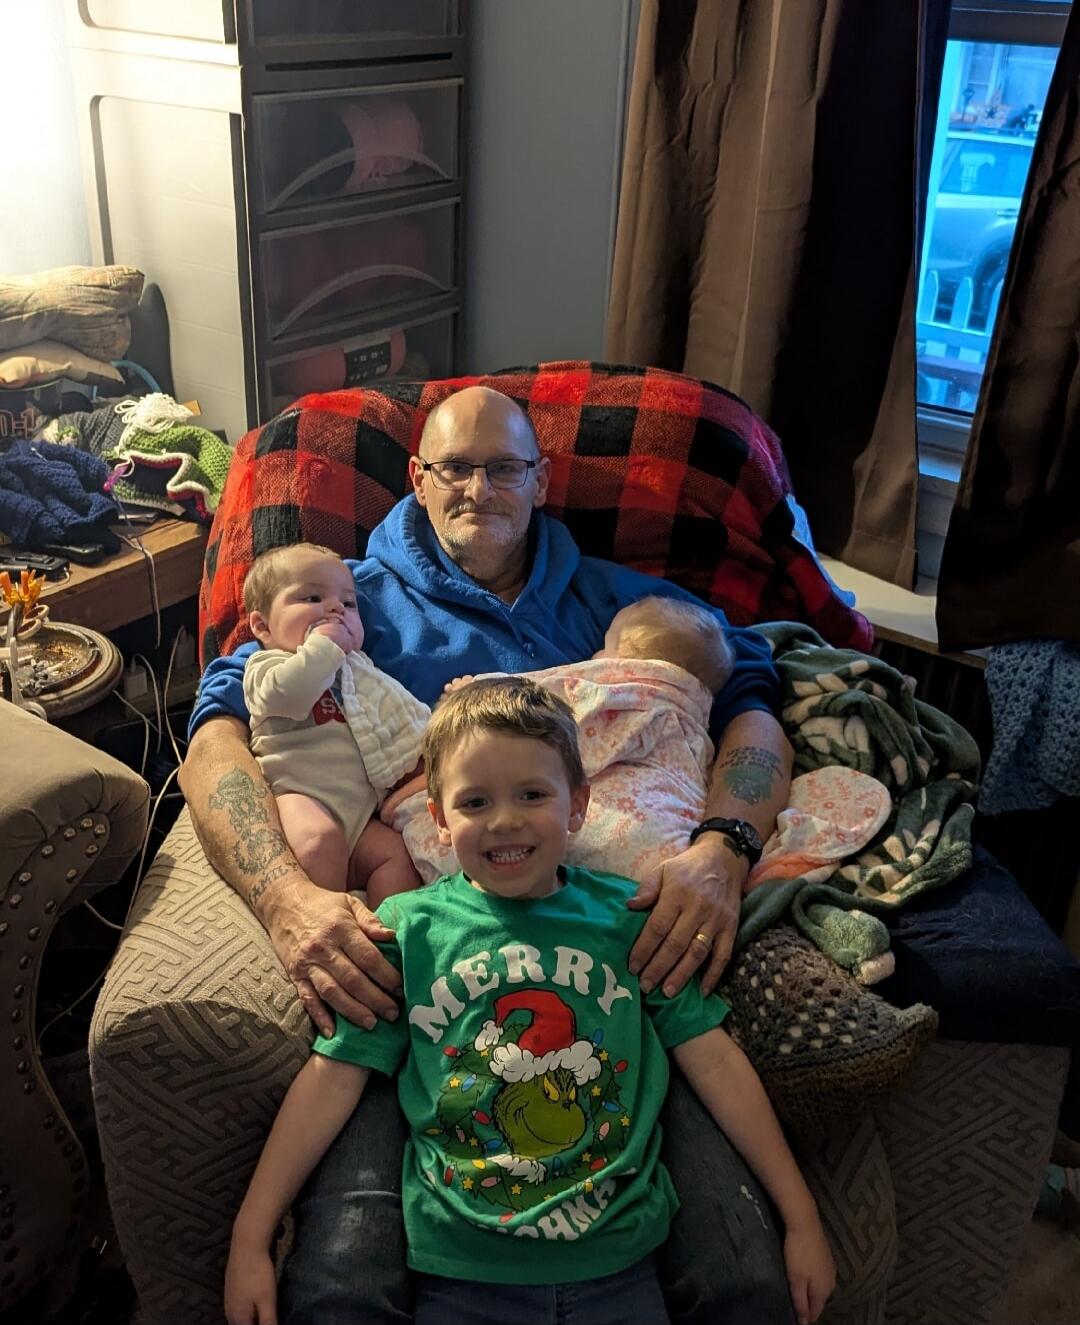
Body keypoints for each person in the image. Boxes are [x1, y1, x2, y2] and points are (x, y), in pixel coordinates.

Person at [183, 385, 797, 1323]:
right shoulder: (344, 601)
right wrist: (284, 897)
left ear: (541, 478)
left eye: (504, 465)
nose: (479, 487)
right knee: (340, 1286)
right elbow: (219, 732)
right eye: (454, 468)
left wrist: (725, 845)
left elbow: (751, 691)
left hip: (621, 947)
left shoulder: (615, 594)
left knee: (744, 1275)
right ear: (418, 480)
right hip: (421, 961)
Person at [224, 679, 834, 1325]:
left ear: (578, 804)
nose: (505, 819)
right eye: (476, 800)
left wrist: (801, 1219)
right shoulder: (405, 931)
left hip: (620, 1266)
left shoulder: (630, 918)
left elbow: (715, 1063)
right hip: (459, 1268)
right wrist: (250, 1235)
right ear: (439, 815)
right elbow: (333, 1076)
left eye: (532, 794)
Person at [393, 595, 737, 888]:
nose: (595, 657)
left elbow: (534, 708)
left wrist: (474, 689)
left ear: (623, 661)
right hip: (678, 862)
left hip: (613, 844)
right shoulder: (697, 729)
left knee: (447, 827)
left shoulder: (613, 689)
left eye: (604, 648)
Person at [242, 542, 426, 909]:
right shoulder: (267, 666)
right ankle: (334, 926)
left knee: (396, 856)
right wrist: (324, 647)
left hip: (361, 816)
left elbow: (400, 716)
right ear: (262, 625)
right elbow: (291, 695)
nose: (335, 608)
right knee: (319, 841)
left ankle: (390, 939)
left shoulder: (362, 672)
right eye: (312, 597)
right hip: (301, 797)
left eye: (349, 603)